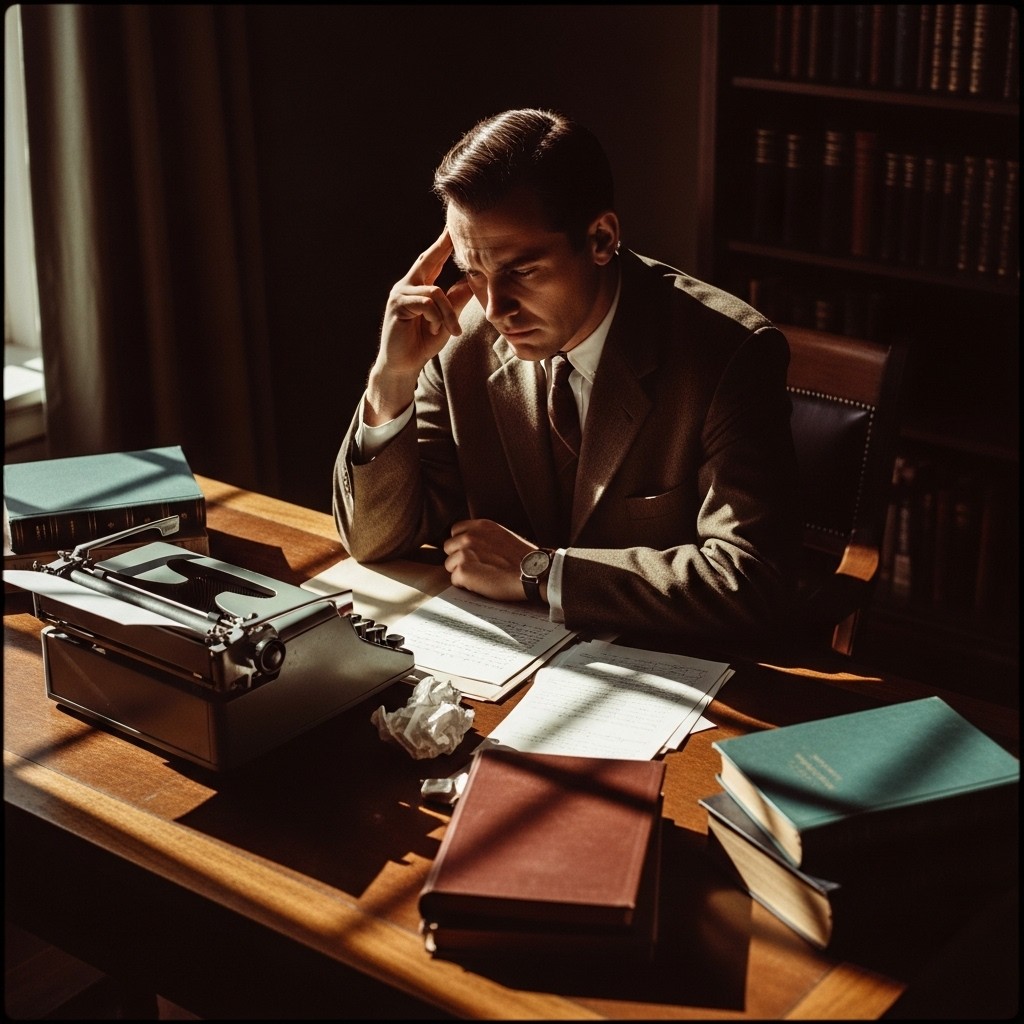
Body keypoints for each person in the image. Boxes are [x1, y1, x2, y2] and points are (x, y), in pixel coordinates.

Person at [333, 108, 800, 644]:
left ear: (601, 238)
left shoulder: (729, 354)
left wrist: (543, 572)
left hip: (673, 675)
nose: (494, 308)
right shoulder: (457, 337)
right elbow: (373, 539)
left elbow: (753, 580)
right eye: (474, 272)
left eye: (523, 271)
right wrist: (390, 379)